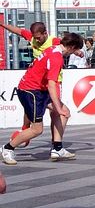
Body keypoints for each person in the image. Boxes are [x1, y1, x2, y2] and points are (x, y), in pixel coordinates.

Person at [1, 33, 84, 166]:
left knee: (64, 112)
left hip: (38, 90)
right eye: (74, 50)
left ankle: (57, 148)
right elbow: (52, 84)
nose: (73, 53)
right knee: (37, 130)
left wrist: (59, 109)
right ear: (71, 47)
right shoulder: (57, 58)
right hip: (30, 92)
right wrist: (57, 107)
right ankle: (7, 148)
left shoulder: (54, 48)